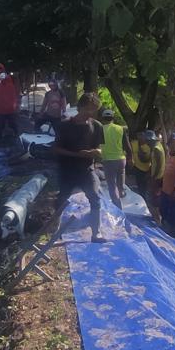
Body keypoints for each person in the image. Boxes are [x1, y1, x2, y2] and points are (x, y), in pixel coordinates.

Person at [53, 92, 105, 243]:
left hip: (87, 169)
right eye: (87, 109)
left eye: (93, 109)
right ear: (79, 107)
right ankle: (56, 232)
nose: (90, 112)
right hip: (67, 170)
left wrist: (95, 152)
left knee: (95, 198)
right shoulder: (65, 125)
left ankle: (96, 233)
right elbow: (56, 149)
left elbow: (99, 149)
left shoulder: (96, 126)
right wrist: (76, 154)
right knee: (62, 199)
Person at [97, 109, 129, 210]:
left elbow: (96, 146)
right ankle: (121, 192)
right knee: (120, 178)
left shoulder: (100, 129)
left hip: (108, 161)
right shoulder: (120, 129)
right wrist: (131, 157)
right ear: (112, 118)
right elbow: (127, 145)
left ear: (103, 118)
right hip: (121, 160)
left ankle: (117, 206)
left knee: (111, 184)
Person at [129, 130, 164, 206]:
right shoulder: (157, 146)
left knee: (155, 196)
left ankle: (156, 212)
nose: (147, 143)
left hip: (157, 176)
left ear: (150, 140)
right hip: (155, 175)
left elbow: (159, 165)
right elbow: (153, 162)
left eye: (147, 142)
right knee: (153, 193)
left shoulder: (156, 149)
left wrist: (154, 177)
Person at [0, 63, 19, 143]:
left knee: (1, 125)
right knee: (11, 124)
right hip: (8, 108)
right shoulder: (6, 80)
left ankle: (2, 137)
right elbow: (14, 94)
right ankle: (15, 136)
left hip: (2, 109)